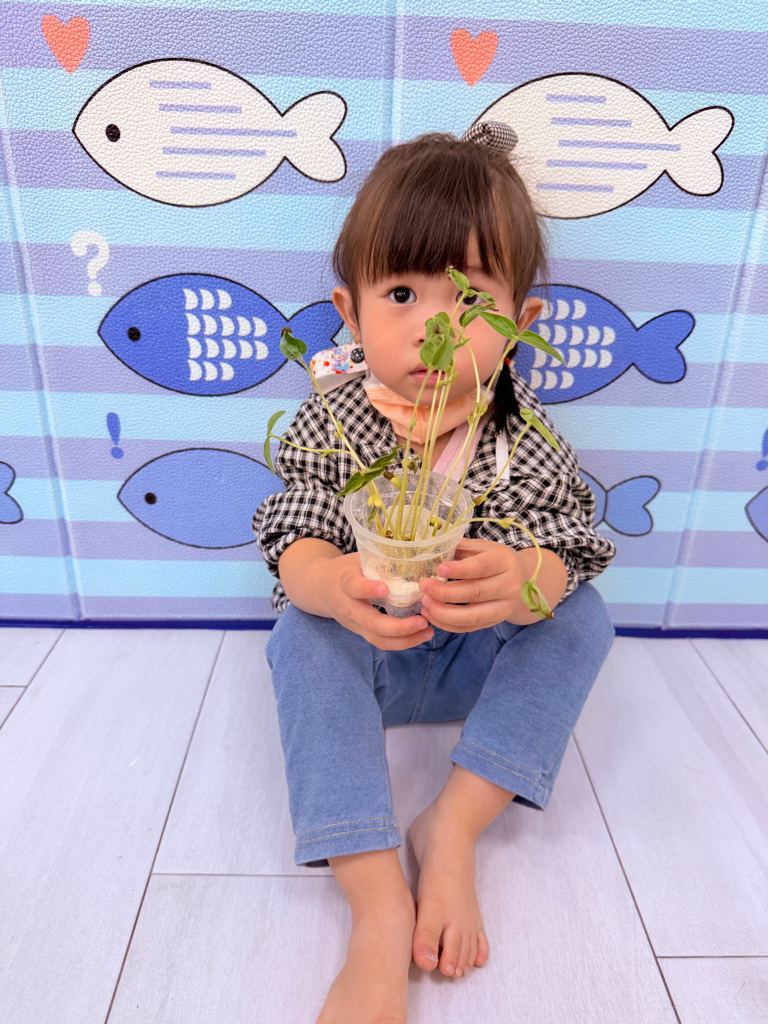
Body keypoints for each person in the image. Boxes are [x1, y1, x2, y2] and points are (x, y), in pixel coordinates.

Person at [252, 128, 616, 1024]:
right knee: (300, 633)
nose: (434, 329)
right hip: (372, 658)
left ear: (522, 322)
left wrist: (529, 576)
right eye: (402, 294)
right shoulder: (333, 423)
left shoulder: (521, 434)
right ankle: (376, 896)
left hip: (474, 662)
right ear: (351, 313)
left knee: (585, 617)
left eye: (472, 299)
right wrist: (331, 587)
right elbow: (291, 532)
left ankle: (452, 825)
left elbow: (573, 540)